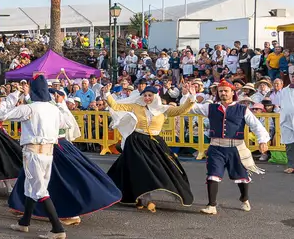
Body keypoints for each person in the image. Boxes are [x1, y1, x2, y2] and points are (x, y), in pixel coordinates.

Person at [0, 73, 75, 239]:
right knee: (31, 186)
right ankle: (24, 222)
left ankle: (57, 227)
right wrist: (60, 106)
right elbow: (67, 123)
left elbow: (1, 115)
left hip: (33, 152)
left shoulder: (29, 108)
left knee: (39, 189)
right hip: (48, 153)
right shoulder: (54, 109)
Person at [8, 88, 121, 225]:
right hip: (51, 146)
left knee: (57, 181)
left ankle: (62, 218)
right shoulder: (52, 108)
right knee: (33, 179)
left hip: (54, 146)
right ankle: (24, 210)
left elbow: (66, 123)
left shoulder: (51, 108)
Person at [184, 80, 270, 213]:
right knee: (213, 175)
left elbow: (256, 125)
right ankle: (211, 206)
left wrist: (262, 140)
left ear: (232, 92)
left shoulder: (242, 109)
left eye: (226, 91)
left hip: (236, 148)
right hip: (216, 147)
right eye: (220, 91)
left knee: (241, 176)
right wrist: (191, 96)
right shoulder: (210, 107)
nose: (223, 93)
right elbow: (191, 108)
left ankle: (244, 198)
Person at [105, 85, 197, 210]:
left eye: (150, 95)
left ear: (156, 96)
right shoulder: (136, 106)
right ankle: (144, 199)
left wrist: (191, 97)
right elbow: (116, 106)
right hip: (136, 140)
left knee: (162, 168)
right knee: (140, 169)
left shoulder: (163, 109)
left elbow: (181, 110)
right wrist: (107, 94)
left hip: (154, 141)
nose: (147, 98)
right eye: (145, 95)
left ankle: (145, 196)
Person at [276, 75, 294, 174]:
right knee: (290, 144)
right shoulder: (284, 91)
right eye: (292, 76)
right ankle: (291, 165)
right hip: (287, 121)